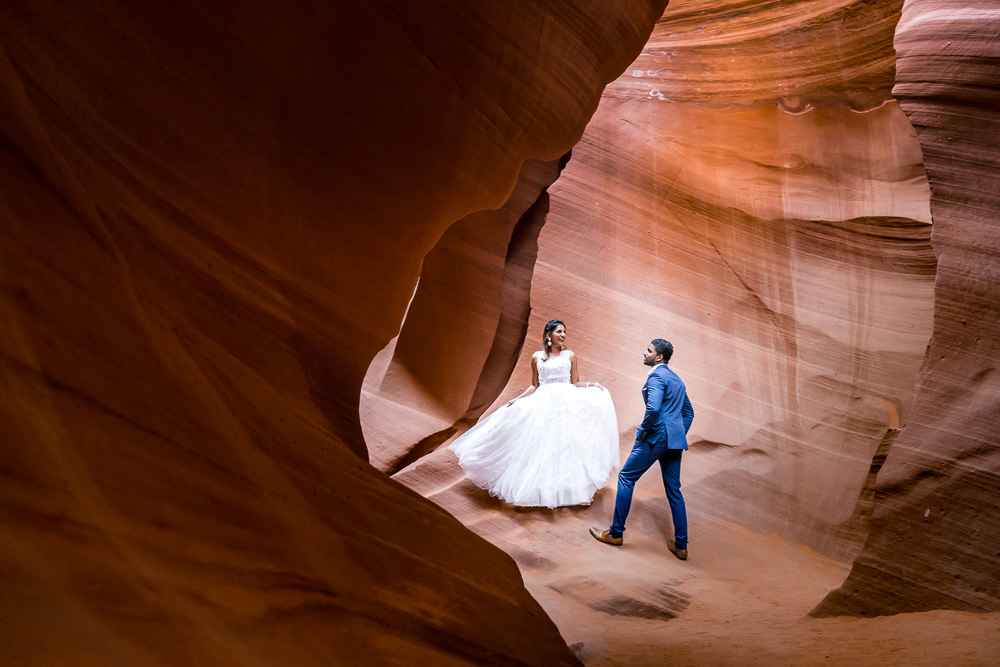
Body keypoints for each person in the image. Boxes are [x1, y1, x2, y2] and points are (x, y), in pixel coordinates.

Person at [449, 319, 619, 508]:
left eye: (564, 332)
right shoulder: (537, 357)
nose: (563, 335)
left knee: (568, 445)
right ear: (549, 335)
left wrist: (592, 386)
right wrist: (518, 399)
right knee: (541, 444)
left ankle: (576, 491)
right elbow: (535, 385)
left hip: (567, 402)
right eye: (559, 332)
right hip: (543, 402)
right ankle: (542, 489)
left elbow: (575, 382)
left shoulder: (570, 355)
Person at [590, 338, 694, 560]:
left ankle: (616, 533)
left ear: (659, 357)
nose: (644, 353)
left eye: (648, 351)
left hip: (654, 439)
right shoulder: (677, 380)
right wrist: (676, 433)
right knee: (674, 491)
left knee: (626, 477)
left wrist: (643, 431)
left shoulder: (657, 376)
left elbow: (654, 409)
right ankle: (681, 545)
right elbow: (688, 413)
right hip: (674, 442)